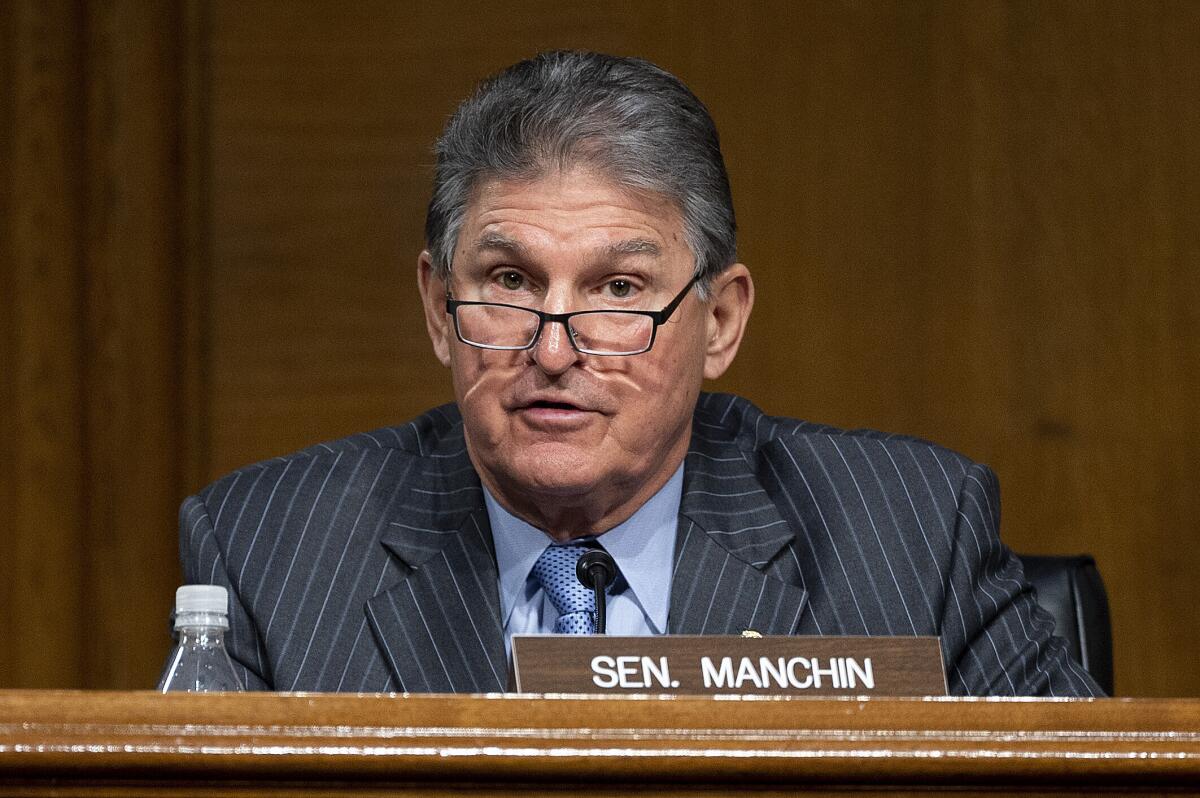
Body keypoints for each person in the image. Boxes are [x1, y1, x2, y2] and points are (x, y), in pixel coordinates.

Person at [177, 50, 1102, 696]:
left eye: (619, 290)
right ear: (435, 308)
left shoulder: (908, 537)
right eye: (509, 282)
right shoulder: (269, 552)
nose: (551, 350)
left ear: (721, 322)